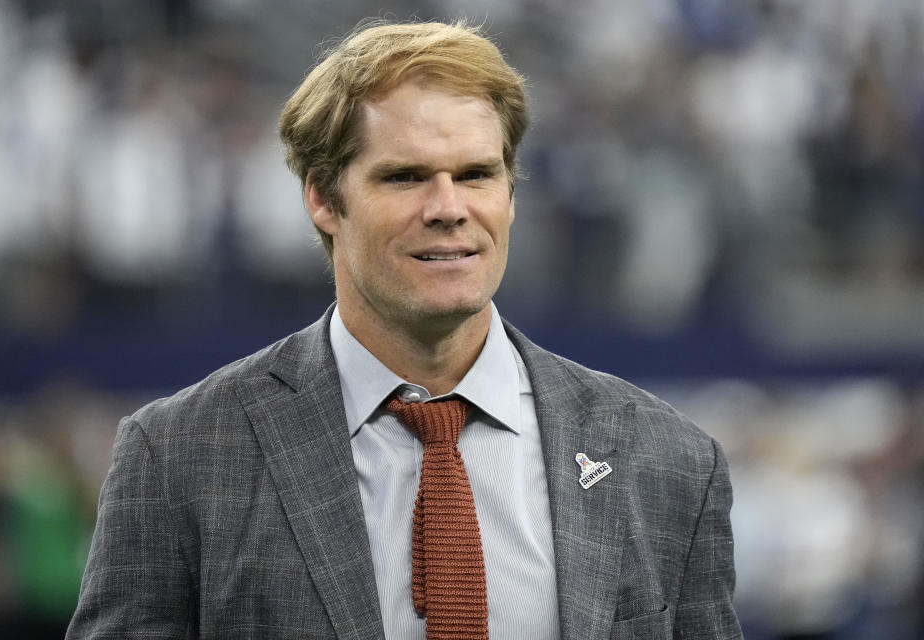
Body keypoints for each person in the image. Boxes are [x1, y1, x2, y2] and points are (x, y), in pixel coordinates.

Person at [66, 19, 742, 640]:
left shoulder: (670, 462)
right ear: (323, 199)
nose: (449, 208)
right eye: (405, 177)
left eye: (477, 174)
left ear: (511, 193)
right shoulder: (178, 458)